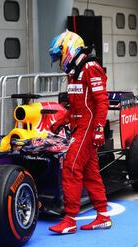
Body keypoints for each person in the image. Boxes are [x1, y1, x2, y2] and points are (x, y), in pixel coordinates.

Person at [48, 30, 112, 234]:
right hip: (78, 126)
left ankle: (69, 219)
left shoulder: (90, 68)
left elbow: (102, 102)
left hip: (88, 127)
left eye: (59, 55)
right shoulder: (74, 71)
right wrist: (62, 120)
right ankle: (103, 216)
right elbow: (76, 106)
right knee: (90, 172)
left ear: (69, 48)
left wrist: (99, 129)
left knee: (71, 167)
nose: (59, 59)